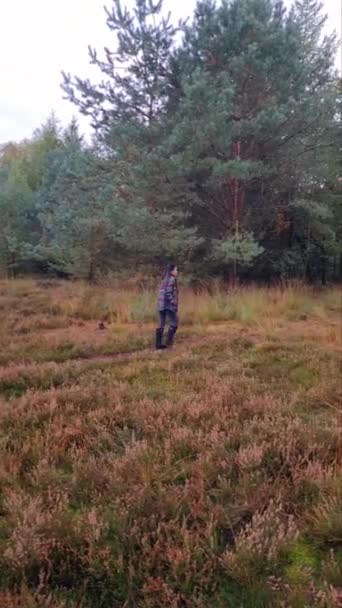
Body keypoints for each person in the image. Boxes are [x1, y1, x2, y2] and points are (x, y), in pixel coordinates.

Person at [156, 264, 179, 350]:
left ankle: (158, 344)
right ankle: (169, 342)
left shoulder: (164, 279)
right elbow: (168, 293)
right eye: (176, 270)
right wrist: (173, 303)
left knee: (161, 323)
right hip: (168, 305)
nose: (177, 272)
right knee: (174, 322)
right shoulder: (172, 279)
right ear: (171, 271)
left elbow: (162, 292)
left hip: (160, 304)